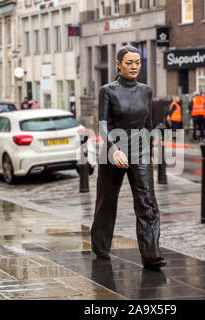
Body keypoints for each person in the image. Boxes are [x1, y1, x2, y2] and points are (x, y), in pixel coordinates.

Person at [90, 45, 166, 271]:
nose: (134, 67)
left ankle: (151, 255)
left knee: (147, 204)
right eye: (129, 63)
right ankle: (101, 246)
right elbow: (101, 125)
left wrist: (151, 152)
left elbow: (148, 124)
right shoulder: (108, 90)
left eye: (137, 63)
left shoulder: (146, 90)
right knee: (106, 202)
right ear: (118, 64)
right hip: (114, 152)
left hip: (140, 151)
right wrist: (114, 149)